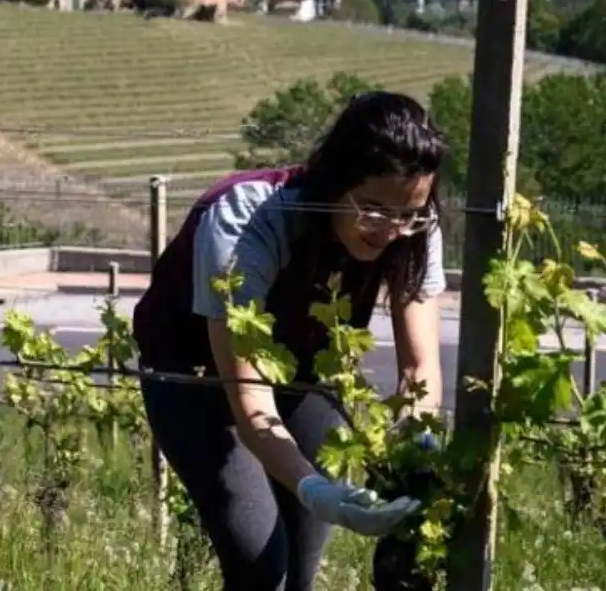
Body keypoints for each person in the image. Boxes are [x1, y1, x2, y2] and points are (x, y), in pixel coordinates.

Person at [132, 91, 446, 591]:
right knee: (262, 569)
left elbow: (419, 370)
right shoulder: (246, 221)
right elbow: (251, 400)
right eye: (373, 210)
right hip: (194, 378)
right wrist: (314, 488)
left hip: (302, 374)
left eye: (408, 213)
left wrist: (417, 450)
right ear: (336, 182)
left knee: (300, 568)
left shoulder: (414, 225)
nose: (392, 230)